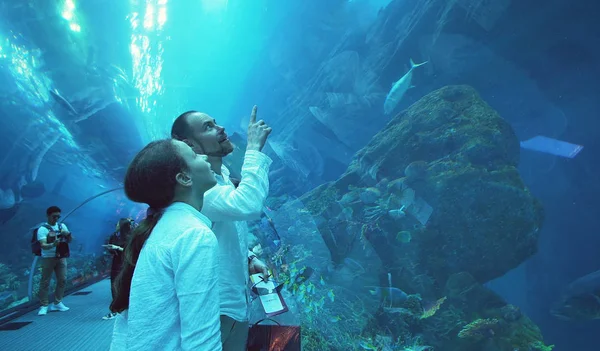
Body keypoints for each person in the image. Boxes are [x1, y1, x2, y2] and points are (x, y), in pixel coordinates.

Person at [171, 105, 272, 350]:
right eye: (208, 127)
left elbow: (225, 226)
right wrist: (253, 149)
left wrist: (248, 257)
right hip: (214, 310)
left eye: (215, 122)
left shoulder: (222, 177)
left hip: (235, 304)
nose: (221, 128)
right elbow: (247, 204)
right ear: (190, 144)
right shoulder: (197, 188)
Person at [109, 139, 222, 351]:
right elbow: (202, 337)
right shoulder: (194, 234)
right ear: (184, 178)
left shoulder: (161, 227)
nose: (204, 157)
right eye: (195, 155)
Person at [36, 205, 73, 316]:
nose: (56, 219)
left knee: (62, 279)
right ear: (48, 215)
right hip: (48, 257)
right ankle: (44, 305)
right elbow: (43, 245)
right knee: (45, 281)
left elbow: (70, 241)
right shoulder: (42, 229)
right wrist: (53, 244)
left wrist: (68, 235)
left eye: (58, 216)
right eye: (54, 216)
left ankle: (57, 302)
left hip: (61, 257)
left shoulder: (62, 226)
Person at [102, 218, 133, 320]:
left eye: (118, 225)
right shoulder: (114, 236)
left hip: (126, 264)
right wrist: (111, 249)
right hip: (116, 263)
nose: (116, 226)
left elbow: (131, 251)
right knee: (114, 286)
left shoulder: (130, 236)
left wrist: (118, 248)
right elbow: (113, 250)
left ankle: (126, 309)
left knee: (124, 286)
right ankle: (115, 310)